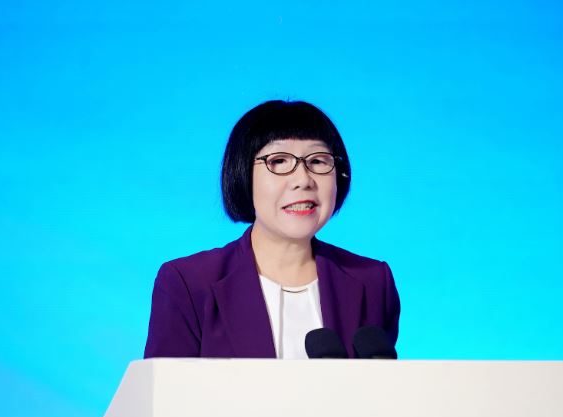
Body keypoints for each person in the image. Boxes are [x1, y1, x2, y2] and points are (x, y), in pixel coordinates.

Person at [144, 100, 400, 358]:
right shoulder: (189, 284)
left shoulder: (373, 281)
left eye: (317, 161)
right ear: (242, 173)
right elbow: (163, 384)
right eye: (279, 161)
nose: (303, 180)